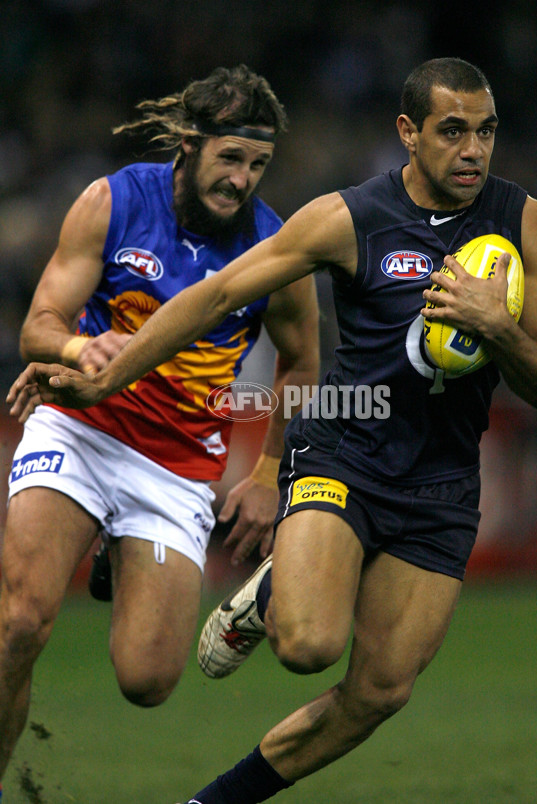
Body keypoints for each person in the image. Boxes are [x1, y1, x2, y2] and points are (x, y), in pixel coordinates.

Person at [7, 57, 537, 803]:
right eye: (453, 131)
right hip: (344, 449)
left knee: (379, 692)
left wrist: (497, 327)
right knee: (306, 647)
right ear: (408, 132)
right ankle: (289, 588)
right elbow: (216, 296)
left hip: (440, 480)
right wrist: (102, 369)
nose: (473, 150)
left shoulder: (529, 224)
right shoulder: (345, 217)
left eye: (487, 132)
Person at [0, 64, 320, 786]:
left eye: (259, 165)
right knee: (20, 623)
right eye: (231, 158)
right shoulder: (111, 202)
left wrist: (270, 473)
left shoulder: (276, 252)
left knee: (148, 681)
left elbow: (302, 365)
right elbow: (39, 327)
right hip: (81, 427)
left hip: (176, 469)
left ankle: (118, 546)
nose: (243, 179)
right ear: (189, 142)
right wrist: (83, 348)